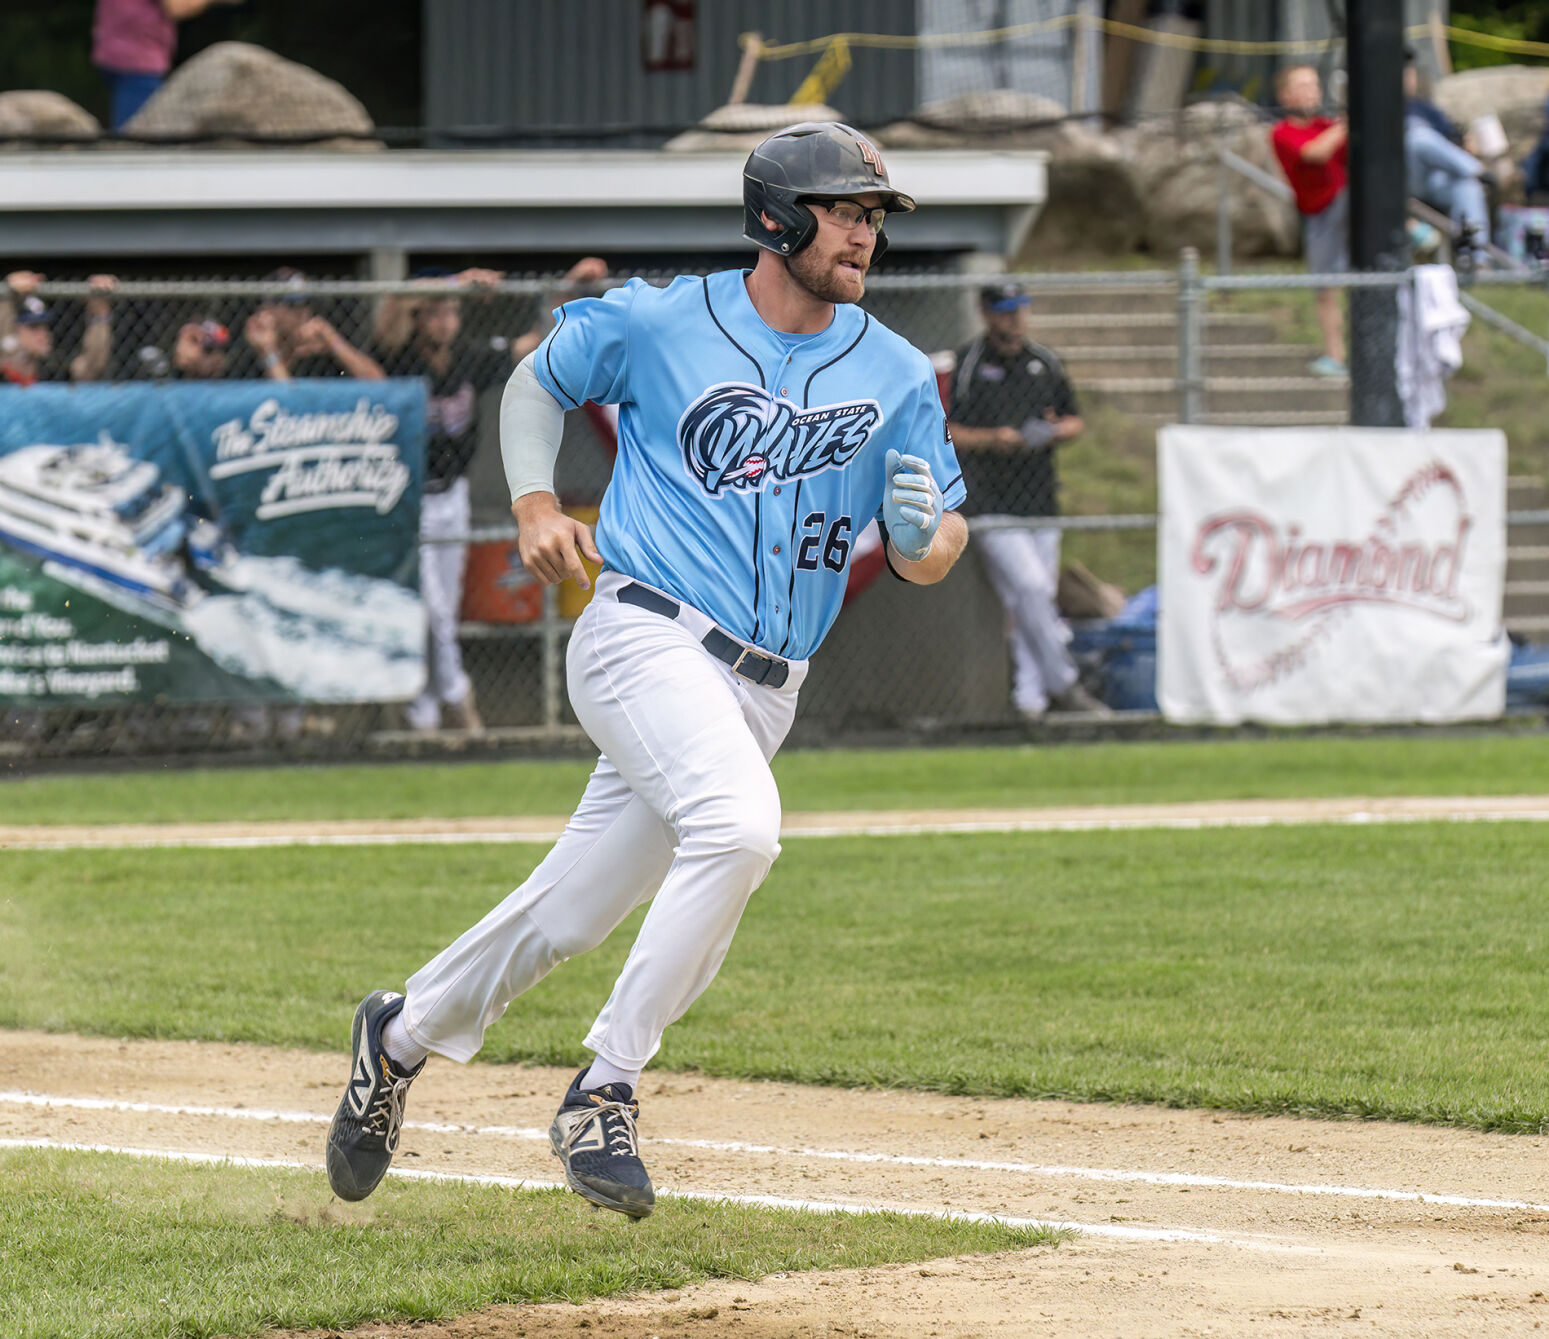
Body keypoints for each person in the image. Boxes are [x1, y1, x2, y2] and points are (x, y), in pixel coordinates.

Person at [324, 121, 968, 1219]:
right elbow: (539, 380)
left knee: (570, 915)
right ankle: (604, 1089)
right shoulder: (668, 317)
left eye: (872, 216)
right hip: (644, 633)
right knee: (740, 828)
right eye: (846, 210)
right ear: (777, 217)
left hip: (768, 684)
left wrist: (921, 540)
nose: (864, 233)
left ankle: (396, 1037)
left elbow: (939, 536)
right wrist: (533, 499)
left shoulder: (898, 369)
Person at [370, 258, 608, 733]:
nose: (444, 321)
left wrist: (567, 289)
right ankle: (455, 699)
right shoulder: (399, 355)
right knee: (428, 606)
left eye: (451, 313)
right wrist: (456, 284)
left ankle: (425, 711)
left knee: (443, 606)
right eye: (436, 312)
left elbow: (533, 341)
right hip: (403, 496)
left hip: (451, 495)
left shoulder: (467, 357)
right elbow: (393, 306)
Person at [946, 282, 1110, 722]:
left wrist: (1051, 432)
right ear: (985, 313)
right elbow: (949, 430)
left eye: (1020, 309)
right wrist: (992, 439)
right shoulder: (970, 364)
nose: (1014, 318)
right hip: (993, 503)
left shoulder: (1043, 362)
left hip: (1041, 499)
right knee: (1033, 589)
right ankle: (1064, 682)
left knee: (1029, 604)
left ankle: (1030, 703)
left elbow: (1074, 418)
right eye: (1004, 310)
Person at [1270, 64, 1348, 379]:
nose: (1311, 92)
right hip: (1319, 215)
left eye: (1314, 85)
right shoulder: (1282, 133)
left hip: (1345, 208)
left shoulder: (1328, 125)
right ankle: (1335, 356)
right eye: (1302, 86)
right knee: (1325, 289)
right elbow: (1315, 153)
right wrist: (1347, 124)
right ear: (1286, 96)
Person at [91, 0, 239, 130]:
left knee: (129, 129)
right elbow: (177, 6)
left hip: (112, 50)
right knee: (137, 138)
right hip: (139, 58)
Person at [1402, 55, 1491, 257]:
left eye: (1410, 72)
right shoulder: (1380, 108)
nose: (1408, 78)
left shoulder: (1426, 109)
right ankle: (1478, 170)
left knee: (1468, 186)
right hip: (1406, 178)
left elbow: (1451, 138)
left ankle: (1476, 259)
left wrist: (1466, 144)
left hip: (1436, 180)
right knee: (1418, 137)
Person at [237, 268, 385, 382]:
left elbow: (379, 383)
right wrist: (268, 351)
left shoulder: (321, 347)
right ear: (269, 309)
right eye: (292, 306)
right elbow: (286, 401)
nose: (302, 313)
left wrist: (333, 341)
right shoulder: (254, 347)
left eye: (305, 304)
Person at [1, 271, 118, 386]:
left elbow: (92, 365)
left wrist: (99, 312)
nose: (44, 333)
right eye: (34, 327)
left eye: (46, 326)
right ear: (16, 330)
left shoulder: (54, 371)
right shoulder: (3, 371)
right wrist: (7, 293)